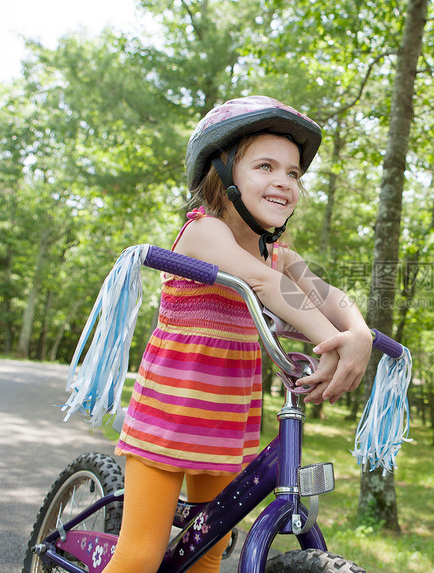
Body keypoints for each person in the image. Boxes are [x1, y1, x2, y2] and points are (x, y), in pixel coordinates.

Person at [104, 95, 374, 573]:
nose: (284, 182)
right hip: (168, 418)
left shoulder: (280, 254)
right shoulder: (203, 233)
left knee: (208, 554)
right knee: (141, 557)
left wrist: (359, 332)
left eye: (293, 173)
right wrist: (329, 341)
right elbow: (265, 284)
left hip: (225, 424)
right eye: (265, 166)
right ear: (223, 174)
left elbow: (326, 294)